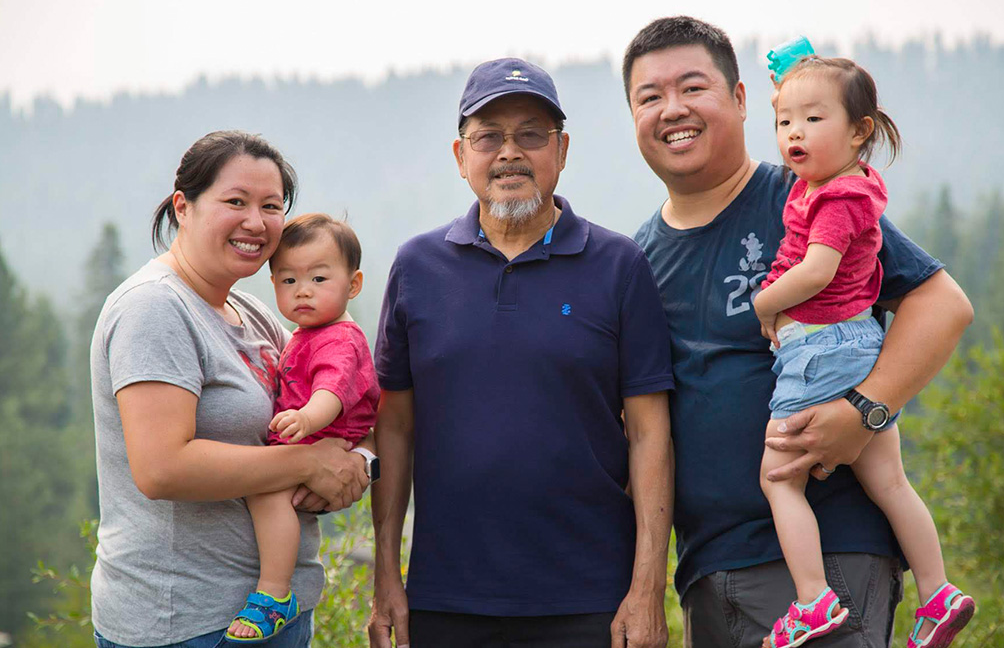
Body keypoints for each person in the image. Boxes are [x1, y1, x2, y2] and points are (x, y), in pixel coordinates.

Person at [623, 17, 974, 648]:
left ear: (739, 98)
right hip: (707, 570)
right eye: (650, 97)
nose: (672, 109)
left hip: (831, 561)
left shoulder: (808, 193)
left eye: (693, 87)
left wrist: (866, 411)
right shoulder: (637, 258)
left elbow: (941, 306)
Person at [367, 58, 675, 648]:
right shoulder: (416, 267)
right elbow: (395, 428)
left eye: (531, 134)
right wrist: (386, 575)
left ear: (561, 150)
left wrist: (645, 589)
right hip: (444, 598)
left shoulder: (618, 266)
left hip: (592, 600)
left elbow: (649, 434)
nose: (509, 153)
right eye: (488, 137)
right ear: (461, 157)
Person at [90, 131, 371, 648]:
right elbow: (162, 468)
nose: (255, 221)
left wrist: (360, 465)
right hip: (186, 622)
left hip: (275, 617)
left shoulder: (259, 313)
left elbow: (344, 395)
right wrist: (308, 464)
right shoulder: (154, 309)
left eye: (270, 205)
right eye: (235, 201)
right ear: (184, 207)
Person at [754, 57, 974, 647]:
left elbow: (818, 270)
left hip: (822, 351)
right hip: (855, 346)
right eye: (783, 122)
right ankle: (938, 592)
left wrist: (765, 303)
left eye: (813, 119)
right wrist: (800, 84)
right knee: (892, 484)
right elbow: (819, 103)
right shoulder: (845, 186)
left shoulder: (835, 199)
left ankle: (813, 600)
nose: (794, 133)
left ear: (860, 132)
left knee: (779, 478)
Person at [226, 213, 381, 642]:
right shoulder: (306, 333)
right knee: (269, 491)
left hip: (320, 433)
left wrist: (307, 418)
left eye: (318, 279)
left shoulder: (339, 339)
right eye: (288, 281)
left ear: (353, 285)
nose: (303, 292)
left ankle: (275, 593)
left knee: (266, 490)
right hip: (310, 437)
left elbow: (333, 390)